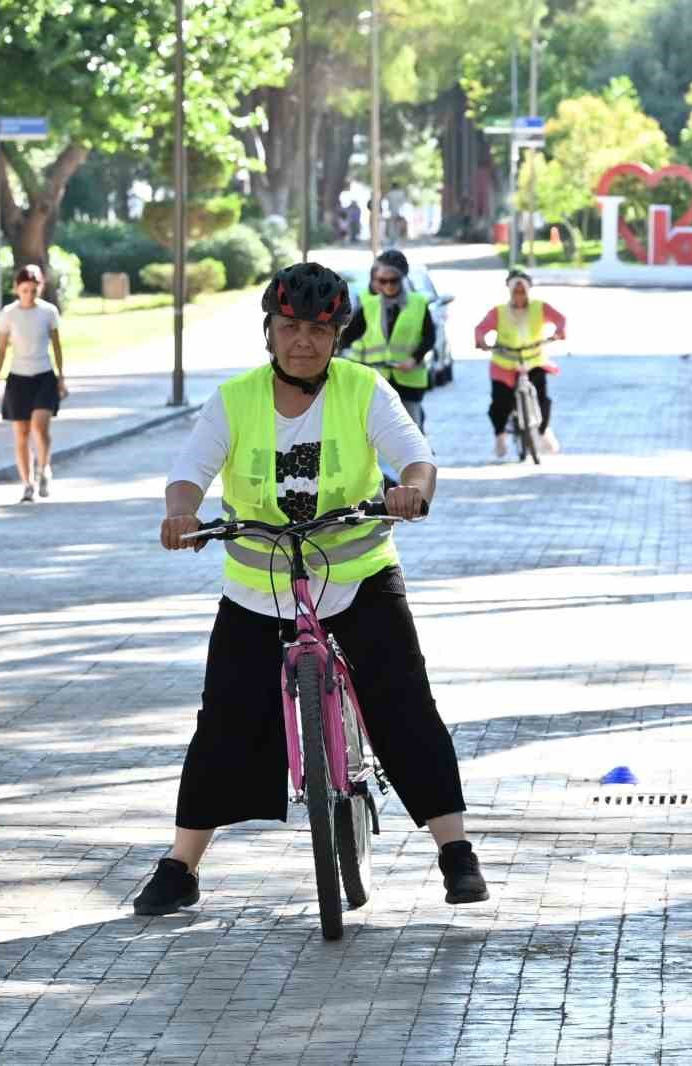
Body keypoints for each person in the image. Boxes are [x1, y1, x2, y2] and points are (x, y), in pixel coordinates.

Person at [135, 262, 488, 917]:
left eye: (320, 330)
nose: (304, 341)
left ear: (338, 335)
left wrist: (412, 491)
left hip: (357, 578)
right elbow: (189, 474)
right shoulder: (234, 399)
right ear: (268, 332)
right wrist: (181, 514)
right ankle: (180, 865)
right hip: (257, 586)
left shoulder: (362, 389)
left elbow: (415, 456)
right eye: (290, 327)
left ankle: (455, 850)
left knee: (405, 701)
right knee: (224, 721)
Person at [0, 264, 68, 503]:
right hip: (18, 378)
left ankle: (44, 469)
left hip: (44, 375)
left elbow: (56, 345)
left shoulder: (48, 312)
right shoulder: (9, 313)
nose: (29, 295)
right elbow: (1, 348)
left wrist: (61, 377)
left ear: (40, 288)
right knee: (21, 433)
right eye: (25, 290)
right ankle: (27, 483)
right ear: (16, 289)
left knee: (40, 428)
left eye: (34, 290)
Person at [339, 248, 435, 431]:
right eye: (383, 281)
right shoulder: (369, 305)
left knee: (412, 432)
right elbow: (346, 337)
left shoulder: (418, 303)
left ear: (402, 279)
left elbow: (429, 337)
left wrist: (414, 359)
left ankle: (420, 459)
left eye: (394, 280)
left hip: (409, 380)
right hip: (376, 380)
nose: (389, 285)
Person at [475, 268, 567, 458]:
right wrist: (482, 341)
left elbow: (560, 319)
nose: (519, 295)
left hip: (533, 361)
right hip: (504, 363)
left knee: (542, 398)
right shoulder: (499, 312)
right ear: (509, 291)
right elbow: (481, 328)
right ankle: (500, 437)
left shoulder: (539, 307)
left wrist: (559, 332)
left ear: (528, 290)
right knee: (500, 402)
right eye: (515, 291)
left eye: (522, 290)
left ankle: (543, 431)